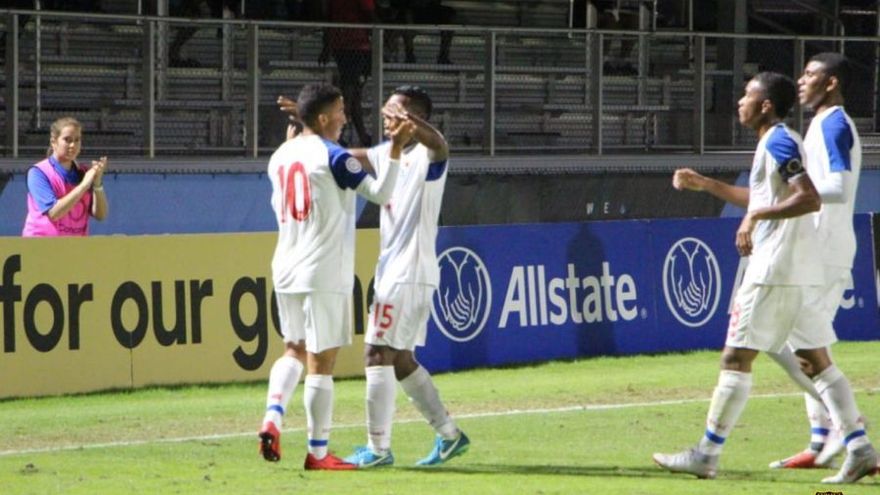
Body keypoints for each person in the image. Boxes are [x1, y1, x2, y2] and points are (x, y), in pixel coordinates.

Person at [653, 71, 877, 484]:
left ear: (766, 105)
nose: (740, 102)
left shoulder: (778, 141)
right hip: (797, 269)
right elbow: (768, 197)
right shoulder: (778, 142)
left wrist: (756, 217)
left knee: (735, 358)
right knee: (815, 361)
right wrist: (708, 185)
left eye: (747, 95)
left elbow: (808, 197)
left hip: (773, 269)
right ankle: (860, 448)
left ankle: (706, 454)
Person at [257, 83, 409, 470]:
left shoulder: (280, 155)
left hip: (285, 266)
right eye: (340, 111)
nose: (345, 118)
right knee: (321, 362)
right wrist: (394, 149)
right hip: (322, 270)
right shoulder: (334, 155)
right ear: (323, 117)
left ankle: (272, 417)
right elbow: (381, 193)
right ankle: (319, 453)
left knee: (293, 349)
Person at [340, 86, 469, 468]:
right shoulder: (388, 154)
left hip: (408, 272)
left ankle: (378, 449)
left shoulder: (429, 155)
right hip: (398, 272)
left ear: (414, 118)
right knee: (399, 360)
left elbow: (440, 143)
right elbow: (343, 157)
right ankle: (450, 435)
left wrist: (408, 121)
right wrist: (312, 129)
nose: (385, 117)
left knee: (376, 352)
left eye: (392, 112)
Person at [763, 53, 871, 480]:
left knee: (791, 341)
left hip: (825, 251)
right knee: (796, 343)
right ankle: (822, 439)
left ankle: (849, 433)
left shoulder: (834, 124)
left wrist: (789, 193)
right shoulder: (821, 123)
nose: (801, 80)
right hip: (817, 248)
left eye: (810, 74)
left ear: (831, 83)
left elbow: (839, 188)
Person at [22, 116, 108, 237]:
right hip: (41, 245)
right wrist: (84, 185)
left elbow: (100, 215)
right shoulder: (38, 173)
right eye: (67, 140)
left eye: (77, 140)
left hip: (73, 246)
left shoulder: (84, 172)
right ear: (54, 142)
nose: (73, 145)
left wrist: (97, 184)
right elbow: (54, 213)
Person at [321, 0, 375, 147]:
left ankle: (361, 135)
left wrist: (326, 46)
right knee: (349, 94)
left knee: (354, 93)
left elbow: (328, 18)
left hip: (342, 45)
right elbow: (369, 14)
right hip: (357, 45)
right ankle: (339, 134)